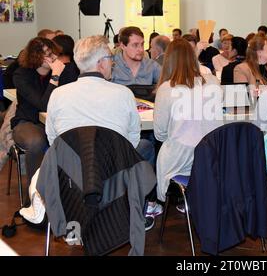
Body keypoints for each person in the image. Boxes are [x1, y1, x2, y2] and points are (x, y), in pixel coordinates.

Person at [45, 35, 158, 230]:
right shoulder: (123, 94)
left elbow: (53, 138)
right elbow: (132, 138)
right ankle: (137, 209)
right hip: (113, 168)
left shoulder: (58, 94)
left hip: (72, 171)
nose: (113, 63)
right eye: (110, 59)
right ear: (100, 64)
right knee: (146, 147)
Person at [153, 38, 223, 202]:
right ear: (193, 57)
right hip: (212, 159)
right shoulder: (213, 82)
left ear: (168, 60)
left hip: (180, 162)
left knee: (159, 146)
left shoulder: (166, 88)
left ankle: (155, 203)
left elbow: (160, 134)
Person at [11, 37, 66, 194]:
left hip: (55, 122)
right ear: (36, 57)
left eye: (53, 53)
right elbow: (42, 105)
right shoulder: (21, 75)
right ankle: (35, 195)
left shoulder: (64, 71)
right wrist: (55, 77)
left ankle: (65, 193)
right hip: (27, 122)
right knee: (36, 142)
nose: (53, 58)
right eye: (47, 54)